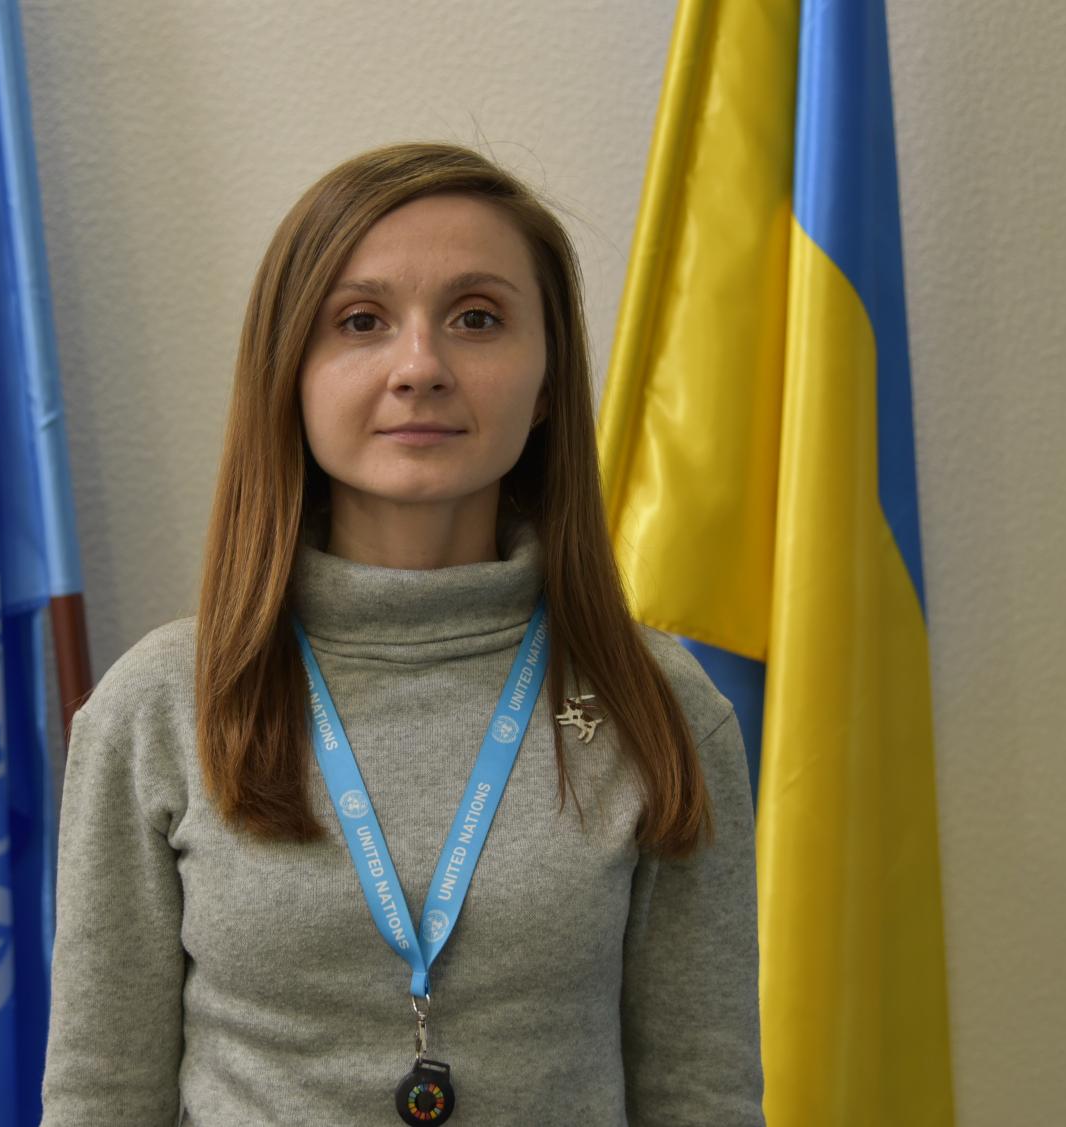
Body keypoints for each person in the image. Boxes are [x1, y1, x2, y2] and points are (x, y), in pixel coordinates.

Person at [40, 141, 764, 1126]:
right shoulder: (157, 705)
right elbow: (99, 1100)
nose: (419, 366)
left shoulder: (659, 705)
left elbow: (703, 1098)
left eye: (476, 317)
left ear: (548, 380)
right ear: (288, 371)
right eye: (360, 321)